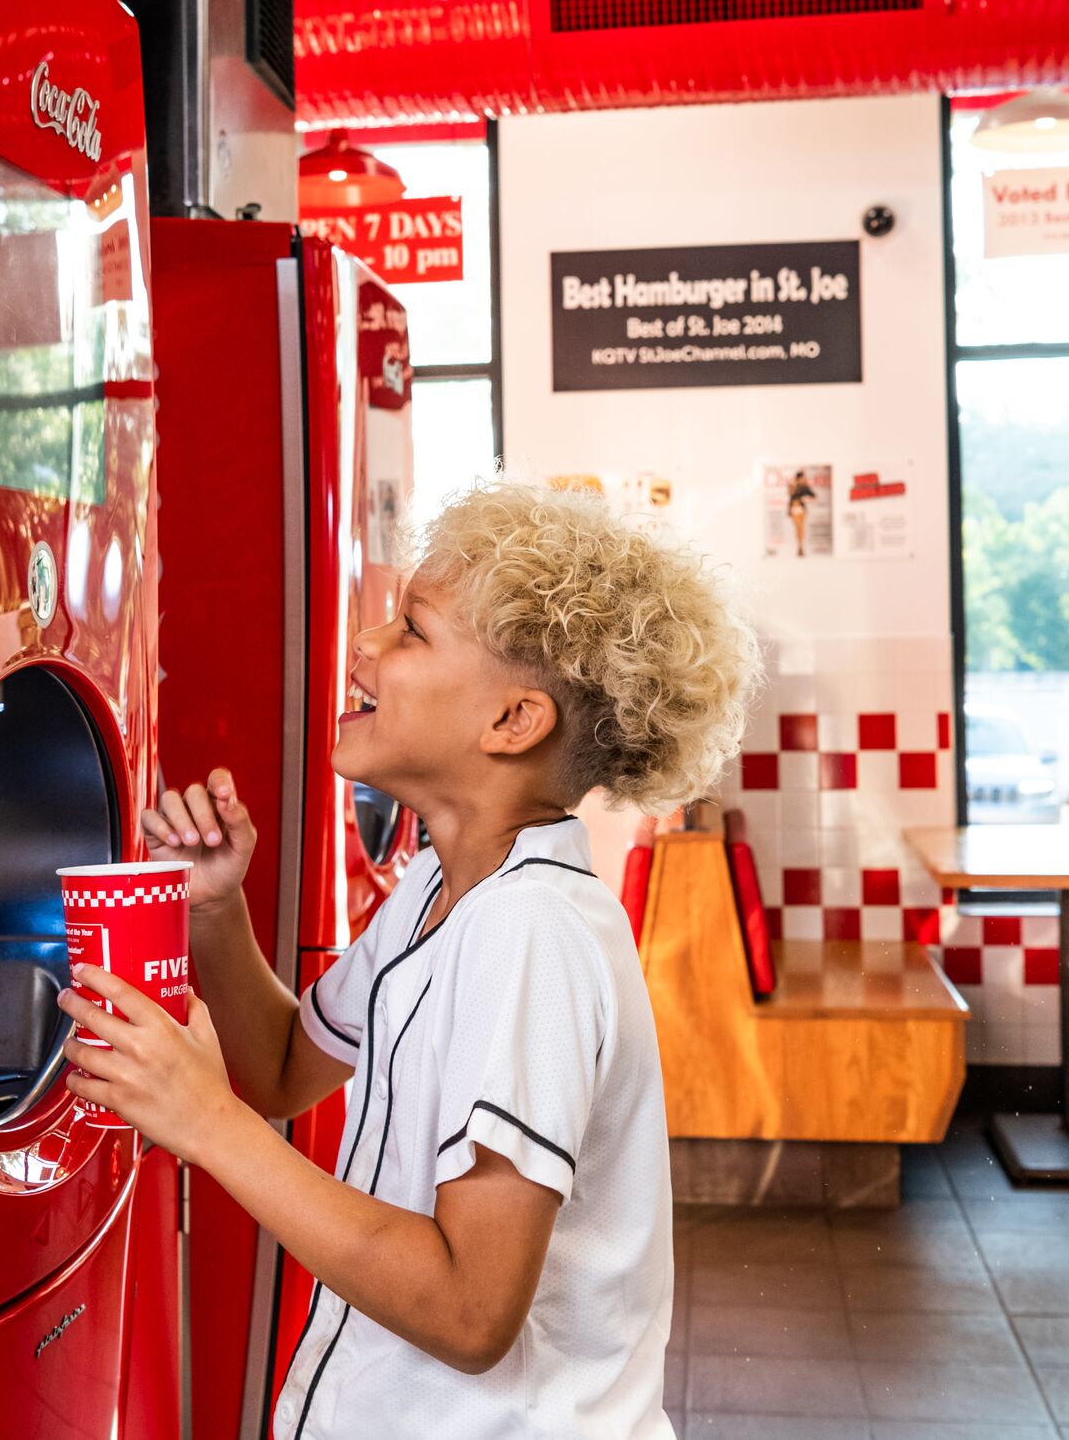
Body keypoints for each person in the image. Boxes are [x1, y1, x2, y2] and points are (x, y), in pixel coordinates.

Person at [59, 481, 759, 1440]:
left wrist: (204, 1122)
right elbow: (282, 1069)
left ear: (513, 722)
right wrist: (214, 912)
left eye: (412, 631)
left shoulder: (532, 935)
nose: (365, 646)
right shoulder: (441, 889)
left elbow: (472, 1313)